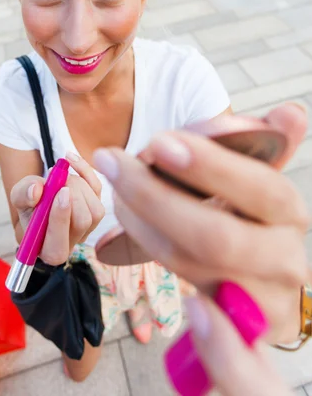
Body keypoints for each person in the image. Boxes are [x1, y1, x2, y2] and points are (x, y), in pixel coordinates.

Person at [0, 0, 310, 382]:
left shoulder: (187, 82)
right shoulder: (9, 93)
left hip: (160, 258)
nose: (78, 36)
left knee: (148, 315)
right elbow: (29, 236)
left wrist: (271, 284)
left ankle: (139, 305)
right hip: (84, 267)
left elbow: (229, 219)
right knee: (80, 369)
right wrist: (45, 253)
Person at [93, 102, 308, 395]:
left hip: (168, 262)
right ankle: (134, 306)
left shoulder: (190, 80)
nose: (79, 51)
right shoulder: (15, 92)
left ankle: (141, 309)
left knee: (152, 289)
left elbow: (227, 181)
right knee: (122, 295)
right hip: (101, 262)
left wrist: (298, 318)